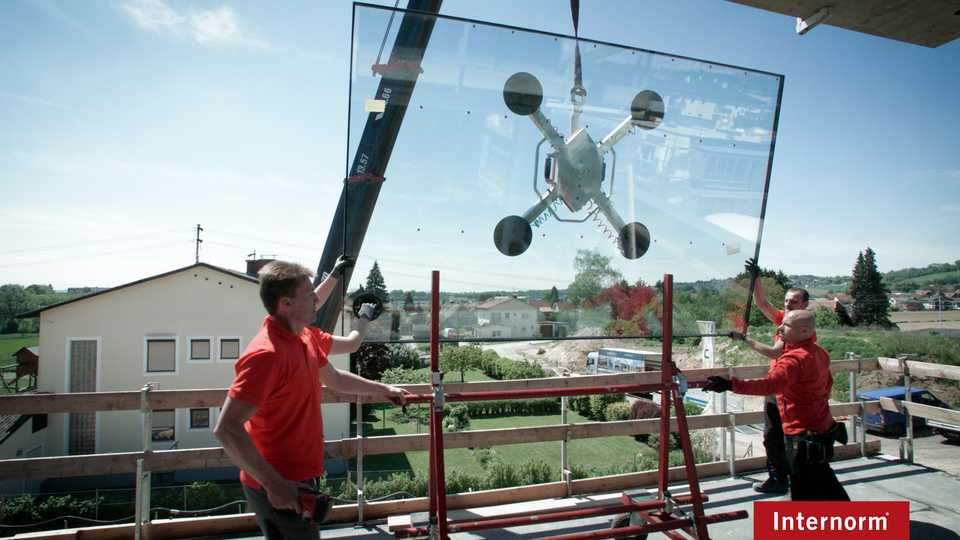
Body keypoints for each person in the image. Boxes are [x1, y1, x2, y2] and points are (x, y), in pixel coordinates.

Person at [214, 257, 412, 539]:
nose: (316, 301)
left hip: (301, 475)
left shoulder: (303, 337)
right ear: (286, 304)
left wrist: (385, 390)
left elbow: (336, 379)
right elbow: (226, 428)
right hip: (279, 483)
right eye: (309, 296)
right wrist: (274, 484)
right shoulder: (266, 355)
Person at [705, 310, 849, 501]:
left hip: (803, 434)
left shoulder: (792, 361)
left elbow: (769, 385)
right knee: (823, 480)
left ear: (804, 331)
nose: (780, 328)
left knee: (805, 487)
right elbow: (827, 387)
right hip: (823, 429)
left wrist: (731, 384)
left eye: (786, 325)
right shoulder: (819, 353)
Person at [735, 258, 814, 494]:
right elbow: (762, 303)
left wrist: (745, 340)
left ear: (805, 304)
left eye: (794, 301)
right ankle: (778, 479)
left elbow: (775, 351)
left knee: (793, 439)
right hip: (776, 389)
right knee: (772, 437)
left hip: (792, 392)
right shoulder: (783, 320)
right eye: (787, 301)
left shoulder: (801, 328)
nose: (788, 304)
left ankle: (797, 483)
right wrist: (756, 277)